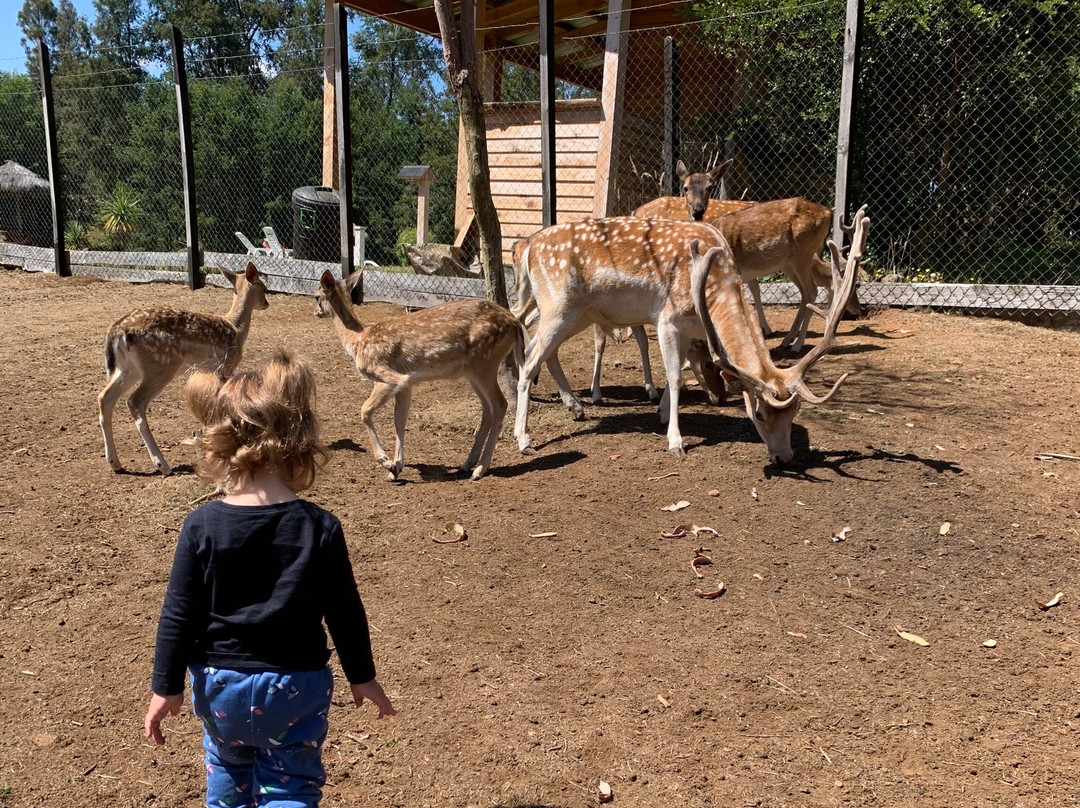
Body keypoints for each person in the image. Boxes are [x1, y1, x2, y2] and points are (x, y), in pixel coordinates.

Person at [143, 351, 395, 808]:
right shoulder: (320, 526)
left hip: (221, 688)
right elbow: (344, 611)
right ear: (299, 441)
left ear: (219, 444)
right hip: (295, 689)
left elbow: (178, 614)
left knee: (227, 777)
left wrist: (166, 686)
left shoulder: (201, 525)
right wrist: (363, 677)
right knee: (291, 788)